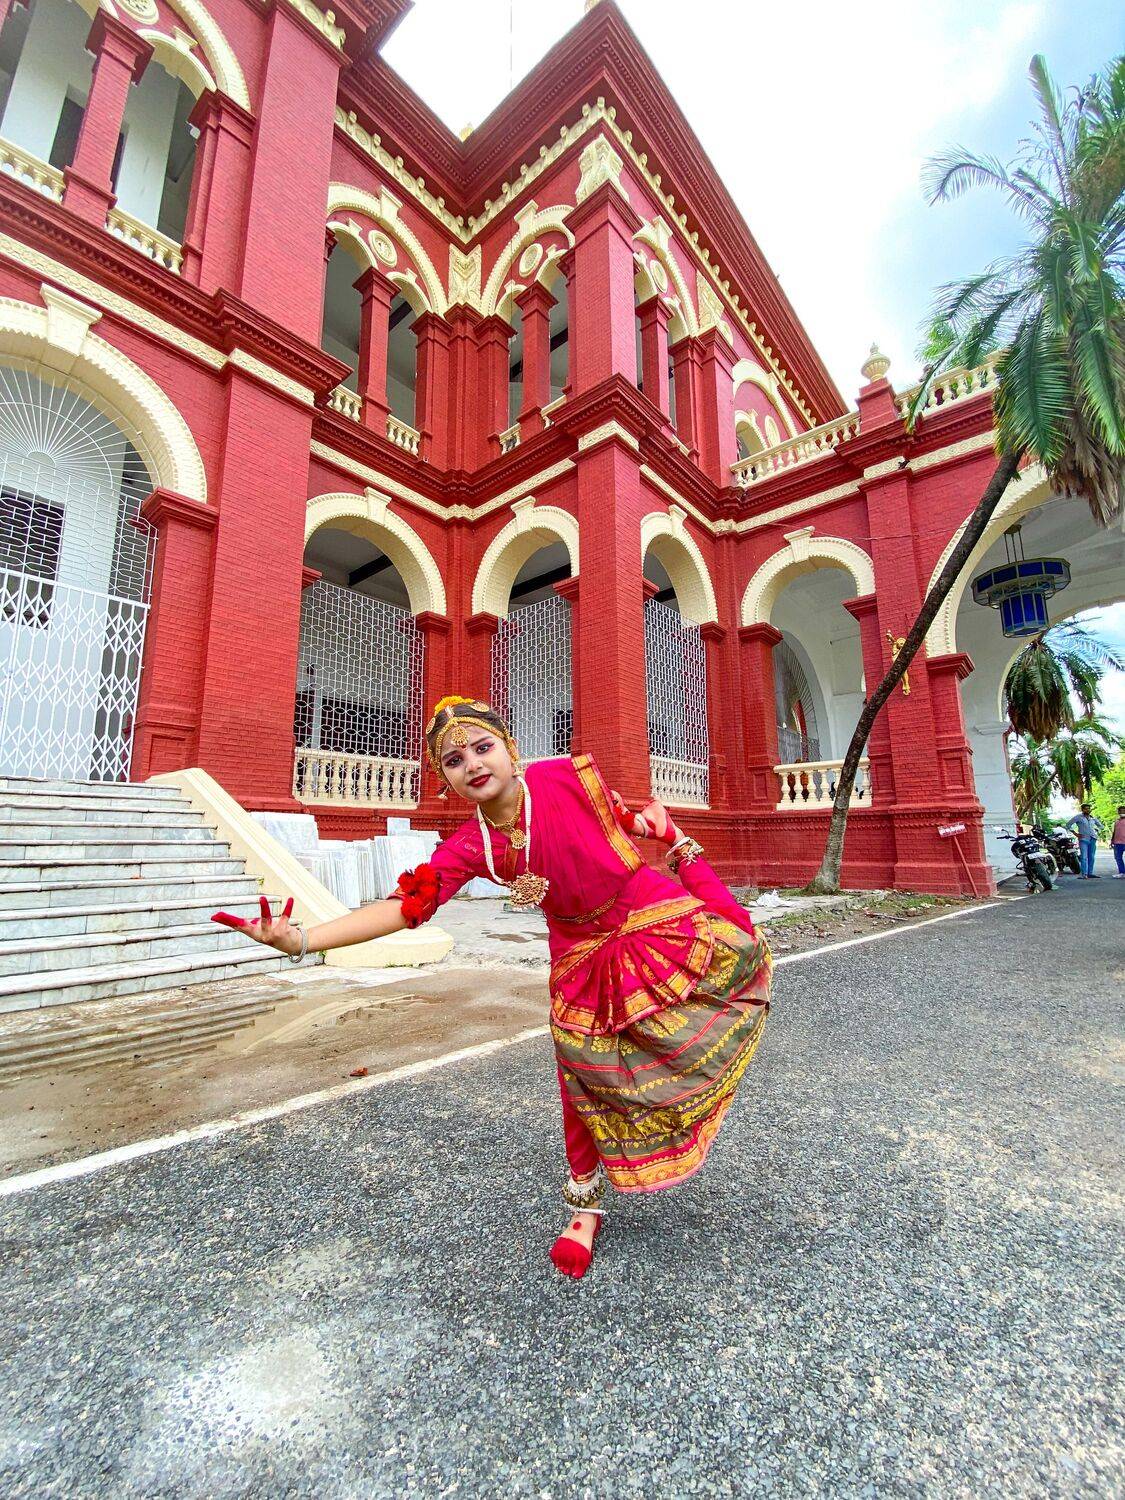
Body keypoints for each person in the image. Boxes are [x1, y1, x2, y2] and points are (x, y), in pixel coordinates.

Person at [213, 695, 772, 1279]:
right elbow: (405, 908)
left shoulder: (564, 777)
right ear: (445, 779)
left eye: (483, 748)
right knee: (579, 1069)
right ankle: (584, 1206)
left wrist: (669, 836)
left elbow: (623, 821)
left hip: (644, 910)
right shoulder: (470, 846)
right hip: (577, 948)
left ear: (510, 748)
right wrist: (304, 939)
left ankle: (676, 1108)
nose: (473, 765)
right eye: (455, 761)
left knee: (728, 960)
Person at [1065, 803, 1104, 879]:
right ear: (1082, 810)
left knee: (1091, 857)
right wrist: (1075, 833)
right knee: (1084, 857)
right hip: (1083, 839)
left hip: (1093, 839)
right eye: (1086, 809)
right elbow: (1068, 825)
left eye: (1089, 808)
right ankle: (1084, 874)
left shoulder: (1093, 818)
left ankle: (1090, 873)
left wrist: (1096, 830)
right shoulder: (1078, 817)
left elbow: (1101, 826)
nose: (1088, 810)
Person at [1112, 805, 1125, 879]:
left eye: (1123, 811)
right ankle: (1122, 872)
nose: (1122, 812)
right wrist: (1112, 840)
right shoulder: (1117, 821)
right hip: (1117, 843)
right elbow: (1115, 831)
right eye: (1120, 811)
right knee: (1118, 858)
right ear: (1118, 812)